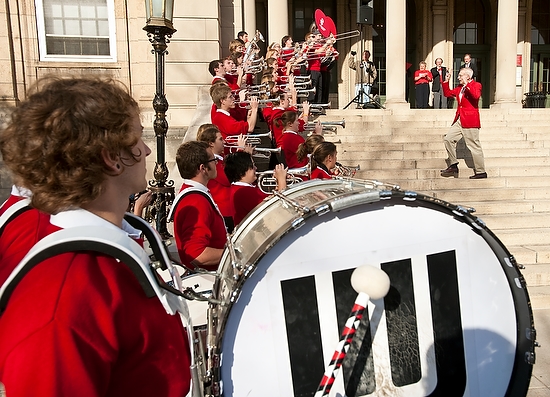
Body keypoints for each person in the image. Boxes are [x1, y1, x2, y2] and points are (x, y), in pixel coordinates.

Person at [0, 76, 192, 396]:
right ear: (111, 158)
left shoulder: (107, 252)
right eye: (135, 138)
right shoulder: (60, 302)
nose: (146, 149)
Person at [171, 141, 227, 271]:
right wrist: (236, 253)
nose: (216, 163)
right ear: (203, 168)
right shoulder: (196, 201)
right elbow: (197, 254)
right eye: (213, 160)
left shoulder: (195, 195)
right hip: (209, 279)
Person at [440, 67, 487, 179]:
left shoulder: (476, 85)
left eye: (460, 75)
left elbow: (476, 96)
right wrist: (446, 81)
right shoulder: (460, 88)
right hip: (460, 119)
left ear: (468, 76)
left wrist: (467, 84)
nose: (458, 77)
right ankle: (453, 165)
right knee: (448, 139)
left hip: (470, 120)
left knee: (474, 146)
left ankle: (481, 172)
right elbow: (447, 93)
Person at [224, 151, 287, 226]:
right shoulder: (244, 192)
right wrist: (281, 179)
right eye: (252, 166)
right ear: (242, 171)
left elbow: (271, 199)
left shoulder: (240, 188)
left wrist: (278, 183)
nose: (256, 168)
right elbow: (278, 205)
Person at [196, 123, 235, 233]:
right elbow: (228, 179)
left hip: (229, 208)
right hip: (224, 210)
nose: (224, 142)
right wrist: (243, 155)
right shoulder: (213, 163)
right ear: (211, 143)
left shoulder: (220, 159)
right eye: (220, 139)